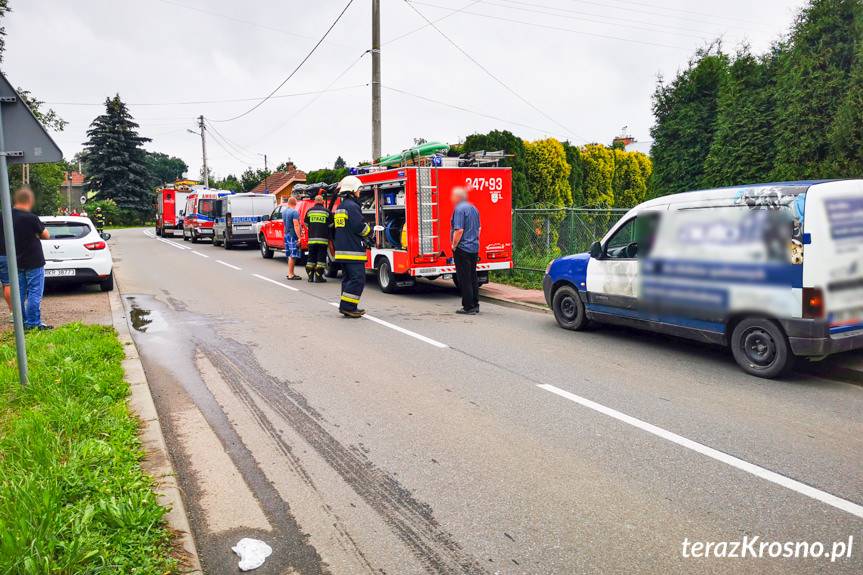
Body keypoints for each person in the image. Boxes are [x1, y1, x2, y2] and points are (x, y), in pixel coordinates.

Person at [0, 188, 51, 329]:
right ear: (29, 200)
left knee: (19, 293)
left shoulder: (4, 216)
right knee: (34, 292)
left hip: (15, 260)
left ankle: (21, 323)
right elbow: (46, 235)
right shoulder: (30, 218)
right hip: (33, 260)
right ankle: (33, 323)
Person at [333, 175, 371, 318]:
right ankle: (348, 307)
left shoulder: (341, 207)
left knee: (348, 279)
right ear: (352, 189)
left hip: (342, 250)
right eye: (358, 190)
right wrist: (370, 232)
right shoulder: (352, 206)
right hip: (352, 250)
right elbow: (358, 227)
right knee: (357, 279)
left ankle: (348, 307)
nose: (359, 192)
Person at [450, 186, 481, 315]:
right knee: (473, 277)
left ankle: (468, 307)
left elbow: (459, 230)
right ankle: (475, 304)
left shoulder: (459, 209)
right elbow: (479, 228)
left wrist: (454, 245)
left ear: (458, 197)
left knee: (464, 278)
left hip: (462, 249)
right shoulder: (474, 208)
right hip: (474, 248)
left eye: (453, 196)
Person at [304, 194, 331, 283]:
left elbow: (306, 224)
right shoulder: (327, 212)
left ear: (315, 202)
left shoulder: (309, 211)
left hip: (312, 239)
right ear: (323, 201)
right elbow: (331, 225)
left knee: (310, 258)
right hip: (323, 240)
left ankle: (310, 277)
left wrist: (313, 228)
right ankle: (319, 277)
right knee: (321, 259)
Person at [282, 196, 302, 280]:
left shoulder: (284, 212)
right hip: (292, 235)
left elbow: (284, 224)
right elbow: (296, 225)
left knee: (290, 254)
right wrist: (299, 237)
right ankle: (290, 274)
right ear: (295, 203)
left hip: (286, 234)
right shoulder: (294, 212)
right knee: (293, 255)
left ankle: (291, 273)